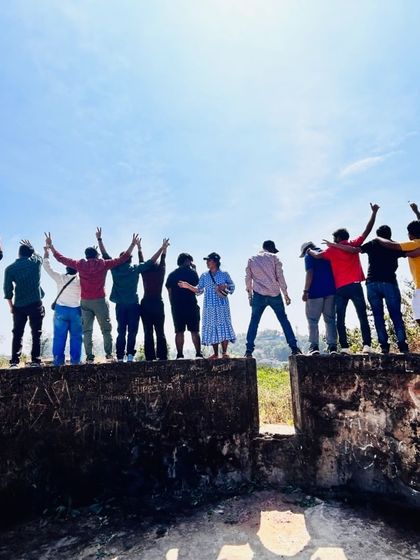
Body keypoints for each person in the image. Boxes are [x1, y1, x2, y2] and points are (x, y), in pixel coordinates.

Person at [45, 231, 139, 363]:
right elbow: (122, 259)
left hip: (85, 301)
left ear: (86, 255)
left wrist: (51, 246)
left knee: (87, 330)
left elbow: (61, 258)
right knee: (106, 329)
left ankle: (89, 357)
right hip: (100, 300)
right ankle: (108, 355)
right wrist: (133, 245)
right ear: (96, 255)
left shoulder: (80, 264)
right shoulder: (103, 264)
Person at [323, 225, 409, 353]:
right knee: (388, 315)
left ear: (338, 238)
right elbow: (365, 233)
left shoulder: (372, 243)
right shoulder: (393, 246)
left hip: (359, 285)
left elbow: (351, 251)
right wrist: (373, 214)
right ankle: (383, 345)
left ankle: (376, 346)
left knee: (351, 317)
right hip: (375, 284)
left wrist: (312, 250)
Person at [308, 203, 379, 354]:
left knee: (340, 318)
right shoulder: (352, 244)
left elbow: (317, 255)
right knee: (362, 316)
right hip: (355, 286)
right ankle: (367, 345)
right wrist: (374, 213)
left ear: (338, 238)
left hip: (340, 288)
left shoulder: (332, 250)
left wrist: (309, 250)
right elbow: (367, 231)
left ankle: (345, 347)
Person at [97, 229, 168, 362]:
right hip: (133, 305)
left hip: (120, 305)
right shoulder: (135, 269)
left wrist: (99, 239)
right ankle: (130, 355)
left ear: (120, 260)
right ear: (130, 260)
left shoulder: (115, 268)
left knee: (121, 331)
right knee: (132, 332)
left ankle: (119, 356)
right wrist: (161, 249)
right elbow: (151, 261)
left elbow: (105, 254)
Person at [245, 240, 301, 358]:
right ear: (270, 248)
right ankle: (294, 348)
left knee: (254, 321)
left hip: (258, 294)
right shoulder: (274, 258)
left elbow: (248, 279)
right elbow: (280, 276)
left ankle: (248, 350)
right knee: (283, 320)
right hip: (275, 294)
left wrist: (249, 295)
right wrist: (285, 294)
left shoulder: (252, 259)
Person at [179, 252, 235, 359]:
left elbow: (232, 287)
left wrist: (225, 286)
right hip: (209, 305)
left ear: (215, 262)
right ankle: (215, 353)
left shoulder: (224, 274)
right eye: (207, 261)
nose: (207, 263)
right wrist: (187, 286)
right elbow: (199, 290)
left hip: (221, 304)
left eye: (209, 260)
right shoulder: (204, 275)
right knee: (212, 325)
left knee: (223, 324)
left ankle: (224, 352)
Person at [3, 240, 45, 368]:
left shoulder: (10, 269)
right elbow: (39, 256)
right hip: (35, 303)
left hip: (19, 305)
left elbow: (7, 290)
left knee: (17, 333)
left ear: (19, 254)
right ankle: (35, 361)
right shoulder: (35, 263)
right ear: (30, 253)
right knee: (36, 333)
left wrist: (11, 307)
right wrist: (33, 248)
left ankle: (14, 362)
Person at [376, 208, 420, 326]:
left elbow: (392, 245)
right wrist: (416, 213)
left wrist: (378, 237)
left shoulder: (414, 244)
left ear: (411, 234)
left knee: (418, 315)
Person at [43, 246, 82, 365]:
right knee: (76, 337)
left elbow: (47, 268)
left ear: (66, 269)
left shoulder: (60, 278)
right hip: (76, 311)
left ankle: (58, 361)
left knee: (59, 337)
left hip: (61, 310)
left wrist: (46, 253)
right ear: (77, 270)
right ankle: (75, 362)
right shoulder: (81, 281)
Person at [300, 241, 337, 354]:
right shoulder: (326, 253)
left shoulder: (309, 255)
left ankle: (314, 347)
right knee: (330, 320)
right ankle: (333, 347)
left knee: (312, 320)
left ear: (306, 249)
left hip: (315, 292)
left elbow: (310, 273)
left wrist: (306, 291)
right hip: (331, 291)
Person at [166, 253, 202, 359]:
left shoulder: (172, 274)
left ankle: (180, 355)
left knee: (179, 331)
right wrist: (195, 269)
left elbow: (169, 290)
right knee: (195, 331)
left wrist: (172, 304)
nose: (191, 263)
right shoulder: (192, 273)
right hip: (191, 305)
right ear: (186, 261)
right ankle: (198, 354)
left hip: (177, 307)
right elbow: (198, 286)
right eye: (190, 261)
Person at [139, 239, 170, 361]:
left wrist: (139, 248)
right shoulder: (160, 272)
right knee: (160, 331)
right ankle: (162, 356)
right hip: (158, 302)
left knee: (148, 331)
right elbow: (163, 259)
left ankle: (150, 357)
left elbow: (141, 261)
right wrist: (164, 248)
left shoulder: (145, 273)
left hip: (146, 303)